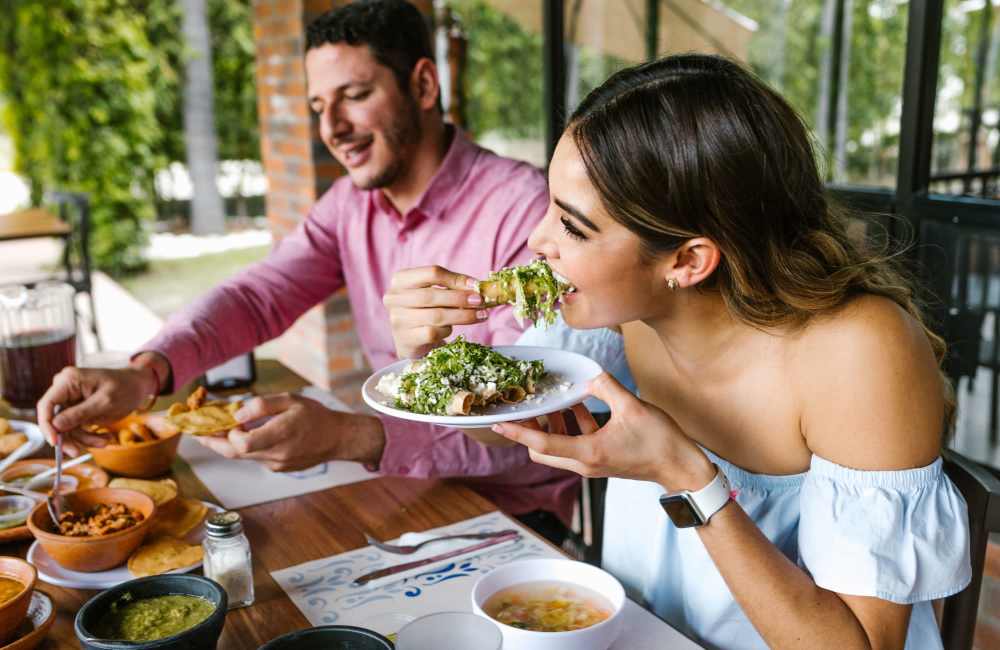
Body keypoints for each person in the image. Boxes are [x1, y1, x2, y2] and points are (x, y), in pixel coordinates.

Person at [386, 54, 971, 648]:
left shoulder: (859, 351)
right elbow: (510, 424)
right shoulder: (621, 315)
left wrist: (686, 475)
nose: (537, 244)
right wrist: (431, 361)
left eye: (573, 227)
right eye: (550, 207)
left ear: (688, 260)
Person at [35, 0, 578, 539]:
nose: (332, 128)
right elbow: (259, 296)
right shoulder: (349, 205)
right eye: (319, 106)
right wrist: (146, 372)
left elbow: (533, 433)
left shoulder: (523, 211)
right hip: (398, 489)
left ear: (424, 85)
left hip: (514, 518)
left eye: (356, 96)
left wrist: (352, 437)